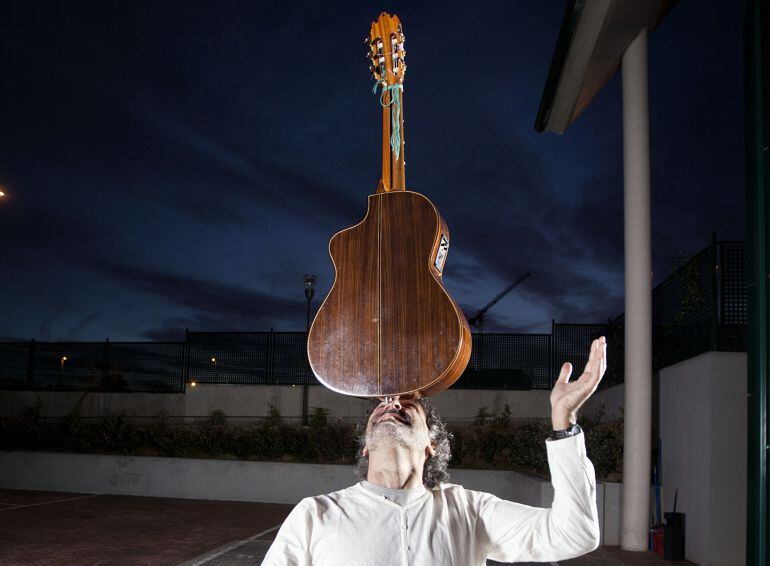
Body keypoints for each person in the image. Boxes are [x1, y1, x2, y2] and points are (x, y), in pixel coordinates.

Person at [261, 337, 607, 565]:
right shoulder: (315, 514)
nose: (392, 402)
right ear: (365, 446)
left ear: (432, 445)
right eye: (380, 406)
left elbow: (574, 534)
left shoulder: (469, 510)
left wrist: (565, 424)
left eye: (410, 403)